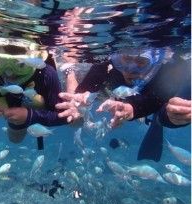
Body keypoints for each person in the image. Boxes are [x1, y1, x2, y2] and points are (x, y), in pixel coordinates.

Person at [56, 47, 191, 161]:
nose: (129, 70)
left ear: (157, 60)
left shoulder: (173, 71)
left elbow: (159, 102)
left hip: (156, 95)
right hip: (125, 94)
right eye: (126, 59)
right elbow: (81, 95)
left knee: (165, 111)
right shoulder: (107, 64)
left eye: (141, 61)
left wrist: (171, 118)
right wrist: (76, 109)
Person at [0, 36, 67, 144]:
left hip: (41, 103)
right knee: (15, 139)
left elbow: (64, 116)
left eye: (21, 65)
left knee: (76, 119)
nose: (8, 73)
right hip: (12, 106)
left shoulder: (46, 73)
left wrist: (30, 116)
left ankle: (68, 76)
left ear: (35, 60)